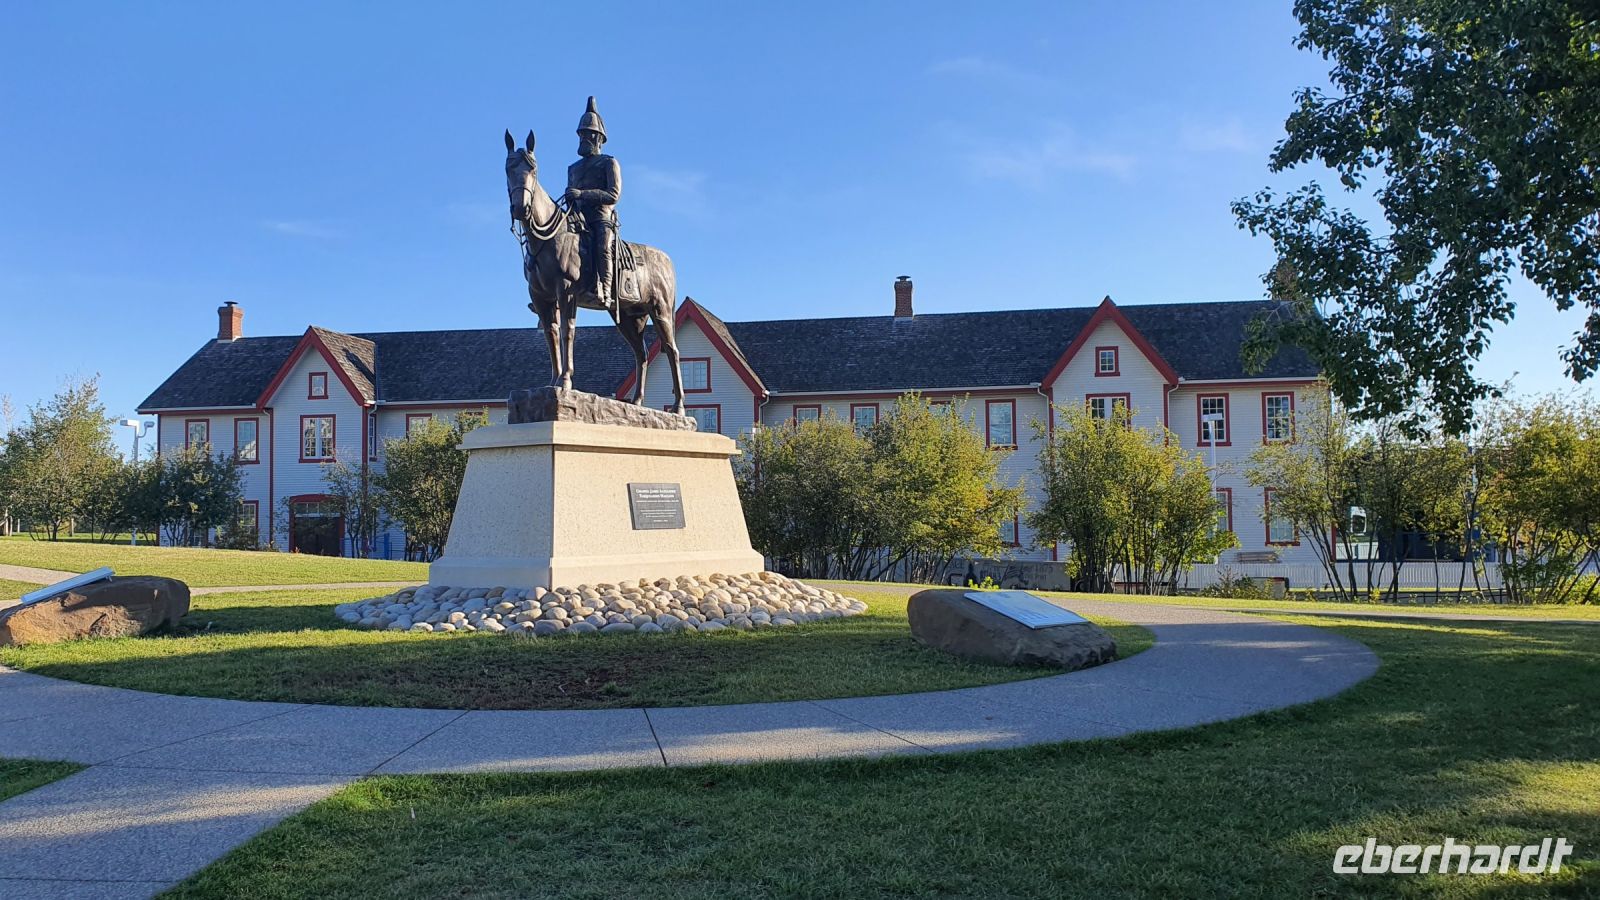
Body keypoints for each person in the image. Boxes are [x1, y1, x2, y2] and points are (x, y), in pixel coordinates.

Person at [564, 96, 621, 309]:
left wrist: (581, 194)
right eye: (581, 134)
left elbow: (613, 194)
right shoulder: (573, 168)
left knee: (602, 246)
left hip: (600, 217)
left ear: (598, 137)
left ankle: (604, 290)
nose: (583, 138)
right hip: (577, 218)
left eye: (587, 134)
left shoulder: (609, 163)